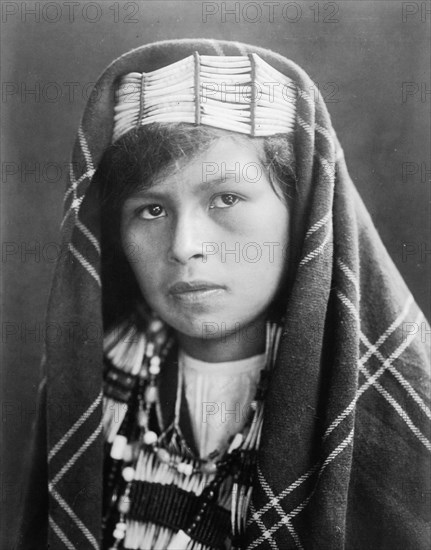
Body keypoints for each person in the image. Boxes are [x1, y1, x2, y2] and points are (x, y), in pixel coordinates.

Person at [18, 39, 430, 550]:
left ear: (303, 215)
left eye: (226, 198)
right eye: (151, 210)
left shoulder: (371, 398)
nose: (185, 247)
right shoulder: (95, 375)